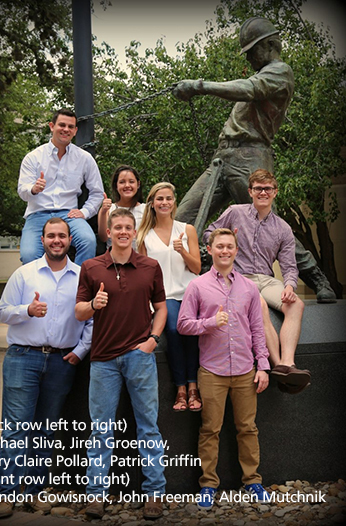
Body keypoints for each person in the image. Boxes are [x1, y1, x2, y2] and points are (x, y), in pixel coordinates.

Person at [173, 17, 336, 303]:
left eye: (252, 50)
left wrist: (199, 86)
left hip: (251, 157)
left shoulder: (279, 72)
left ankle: (316, 277)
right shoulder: (259, 76)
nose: (248, 57)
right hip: (223, 158)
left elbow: (248, 89)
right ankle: (182, 281)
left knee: (266, 222)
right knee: (179, 220)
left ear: (271, 45)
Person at [0, 217, 92, 519]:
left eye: (62, 235)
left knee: (44, 432)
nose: (57, 240)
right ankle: (5, 495)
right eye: (51, 236)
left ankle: (33, 494)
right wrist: (27, 311)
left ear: (70, 241)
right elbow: (2, 311)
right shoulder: (25, 274)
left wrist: (80, 351)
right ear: (43, 240)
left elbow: (91, 320)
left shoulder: (81, 278)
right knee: (16, 429)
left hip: (62, 362)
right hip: (24, 357)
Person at [75, 208, 167, 520]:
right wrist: (92, 305)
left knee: (148, 427)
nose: (124, 232)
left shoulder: (150, 266)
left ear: (134, 230)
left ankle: (154, 494)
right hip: (103, 361)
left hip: (139, 356)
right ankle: (96, 497)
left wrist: (153, 339)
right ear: (109, 232)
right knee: (101, 430)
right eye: (118, 227)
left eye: (129, 227)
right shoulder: (90, 267)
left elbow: (162, 307)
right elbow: (79, 312)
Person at [177, 228, 271, 511]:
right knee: (210, 429)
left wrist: (263, 365)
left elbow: (257, 328)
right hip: (212, 371)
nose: (225, 251)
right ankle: (208, 485)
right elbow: (183, 324)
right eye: (220, 246)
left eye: (230, 246)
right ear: (210, 250)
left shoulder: (249, 287)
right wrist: (209, 323)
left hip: (245, 370)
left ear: (236, 251)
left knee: (247, 428)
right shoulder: (197, 286)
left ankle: (252, 480)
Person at [203, 169, 311, 394]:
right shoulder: (235, 212)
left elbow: (289, 266)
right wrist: (224, 237)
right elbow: (208, 233)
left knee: (296, 304)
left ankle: (288, 363)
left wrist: (290, 285)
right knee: (259, 305)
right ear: (250, 192)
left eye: (268, 189)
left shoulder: (282, 228)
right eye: (258, 189)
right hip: (238, 277)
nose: (263, 192)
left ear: (275, 192)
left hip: (266, 278)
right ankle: (278, 364)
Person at [137, 182, 202, 412]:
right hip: (164, 296)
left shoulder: (187, 230)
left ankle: (193, 387)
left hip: (190, 294)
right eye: (159, 199)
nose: (164, 202)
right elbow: (143, 274)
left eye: (168, 198)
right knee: (174, 330)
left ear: (174, 202)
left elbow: (197, 268)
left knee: (192, 333)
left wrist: (182, 250)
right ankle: (181, 388)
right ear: (152, 204)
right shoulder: (144, 235)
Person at [18, 108, 104, 266]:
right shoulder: (33, 157)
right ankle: (39, 290)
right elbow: (22, 191)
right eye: (62, 125)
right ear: (52, 126)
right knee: (28, 255)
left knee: (89, 241)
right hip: (38, 214)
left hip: (69, 214)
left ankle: (77, 285)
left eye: (71, 127)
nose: (66, 129)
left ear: (75, 130)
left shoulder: (85, 158)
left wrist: (84, 212)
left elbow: (97, 193)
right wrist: (33, 189)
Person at [97, 165, 145, 250]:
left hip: (140, 259)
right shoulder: (108, 209)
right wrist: (104, 212)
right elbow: (104, 238)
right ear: (116, 185)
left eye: (131, 181)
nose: (127, 185)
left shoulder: (146, 210)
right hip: (114, 260)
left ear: (138, 184)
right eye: (122, 182)